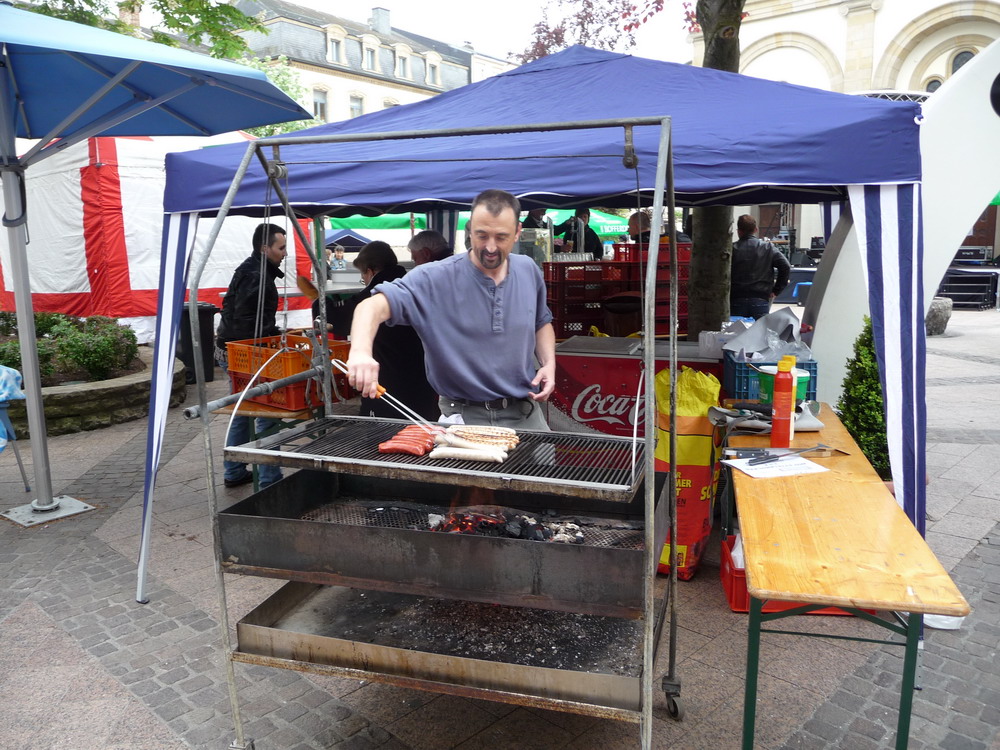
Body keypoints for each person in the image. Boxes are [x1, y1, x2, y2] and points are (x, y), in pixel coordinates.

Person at [347, 189, 555, 430]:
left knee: (544, 468)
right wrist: (361, 352)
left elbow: (541, 322)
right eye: (481, 235)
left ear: (518, 232)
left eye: (501, 237)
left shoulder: (527, 269)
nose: (490, 248)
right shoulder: (434, 277)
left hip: (528, 413)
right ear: (469, 229)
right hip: (467, 419)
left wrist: (548, 363)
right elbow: (370, 307)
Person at [319, 241, 438, 421]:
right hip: (423, 376)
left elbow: (341, 317)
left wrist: (318, 303)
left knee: (387, 429)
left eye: (363, 275)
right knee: (425, 427)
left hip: (390, 375)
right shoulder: (410, 285)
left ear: (370, 271)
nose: (364, 280)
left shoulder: (376, 292)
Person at [214, 223, 287, 489]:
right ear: (264, 248)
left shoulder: (254, 269)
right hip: (243, 351)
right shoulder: (255, 274)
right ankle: (269, 479)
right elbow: (246, 322)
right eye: (281, 248)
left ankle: (234, 471)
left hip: (235, 348)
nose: (285, 253)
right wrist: (272, 337)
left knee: (243, 411)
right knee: (266, 411)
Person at [730, 214, 791, 320]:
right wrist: (776, 290)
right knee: (760, 333)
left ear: (738, 231)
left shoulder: (732, 249)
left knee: (737, 333)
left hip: (737, 298)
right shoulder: (768, 247)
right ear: (756, 229)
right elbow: (785, 266)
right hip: (760, 298)